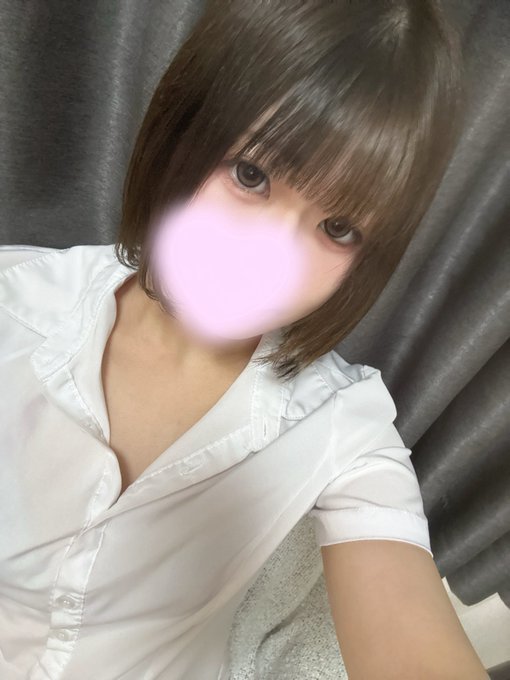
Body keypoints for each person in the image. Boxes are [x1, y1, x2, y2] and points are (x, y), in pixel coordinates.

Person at [0, 1, 489, 678]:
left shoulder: (343, 425)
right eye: (251, 175)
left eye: (339, 228)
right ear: (182, 131)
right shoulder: (16, 302)